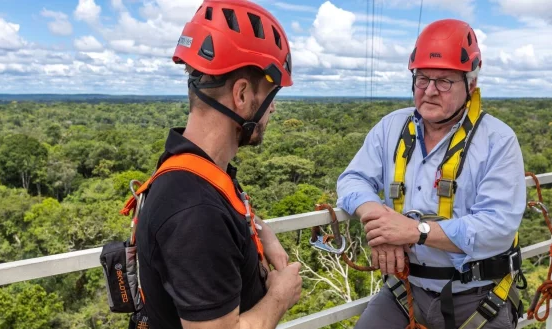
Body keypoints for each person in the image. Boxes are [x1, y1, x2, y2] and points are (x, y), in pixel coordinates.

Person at [337, 19, 526, 329]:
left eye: (444, 81)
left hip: (477, 296)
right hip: (404, 290)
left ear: (471, 84)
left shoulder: (498, 140)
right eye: (422, 78)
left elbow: (498, 227)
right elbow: (352, 179)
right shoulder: (391, 128)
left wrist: (414, 232)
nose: (430, 91)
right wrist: (380, 223)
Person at [134, 0, 302, 328]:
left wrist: (259, 229)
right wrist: (280, 295)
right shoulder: (194, 210)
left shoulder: (190, 169)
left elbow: (222, 216)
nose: (272, 111)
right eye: (271, 97)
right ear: (241, 95)